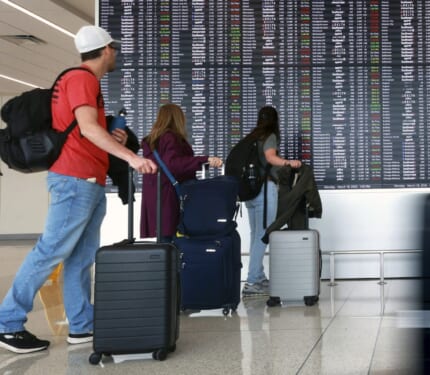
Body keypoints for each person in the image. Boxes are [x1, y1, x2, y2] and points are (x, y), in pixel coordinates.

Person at [0, 25, 157, 354]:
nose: (116, 53)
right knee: (51, 251)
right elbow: (86, 127)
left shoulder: (84, 83)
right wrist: (130, 158)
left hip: (87, 181)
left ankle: (82, 324)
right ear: (106, 50)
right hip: (74, 181)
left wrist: (112, 140)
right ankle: (8, 323)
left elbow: (86, 132)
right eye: (114, 48)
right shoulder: (81, 79)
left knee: (80, 258)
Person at [140, 103, 223, 242]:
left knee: (164, 241)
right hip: (169, 195)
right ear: (178, 118)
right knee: (173, 241)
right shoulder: (170, 137)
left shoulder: (152, 141)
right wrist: (204, 160)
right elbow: (173, 164)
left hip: (155, 197)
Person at [242, 106, 302, 297]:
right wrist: (289, 162)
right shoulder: (270, 136)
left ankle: (257, 276)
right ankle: (252, 281)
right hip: (264, 189)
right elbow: (270, 157)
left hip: (249, 192)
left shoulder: (251, 137)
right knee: (263, 234)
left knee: (255, 235)